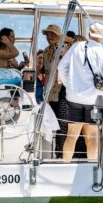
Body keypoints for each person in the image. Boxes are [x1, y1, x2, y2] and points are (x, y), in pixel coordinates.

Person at [58, 22, 103, 161]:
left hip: (74, 98)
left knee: (71, 135)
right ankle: (92, 171)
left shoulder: (76, 47)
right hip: (94, 100)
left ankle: (65, 165)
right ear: (102, 37)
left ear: (89, 34)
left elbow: (61, 67)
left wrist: (70, 85)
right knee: (91, 137)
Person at [41, 23, 65, 154]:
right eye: (48, 34)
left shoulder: (62, 49)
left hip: (62, 91)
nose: (49, 37)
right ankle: (51, 152)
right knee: (51, 123)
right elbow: (46, 71)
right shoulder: (45, 50)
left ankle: (60, 152)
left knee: (62, 124)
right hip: (50, 92)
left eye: (52, 34)